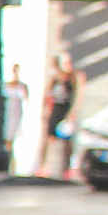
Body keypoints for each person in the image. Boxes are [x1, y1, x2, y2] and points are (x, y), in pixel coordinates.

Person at [42, 52, 81, 180]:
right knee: (49, 138)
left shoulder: (74, 78)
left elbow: (78, 96)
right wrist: (46, 110)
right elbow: (48, 94)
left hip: (66, 111)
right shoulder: (55, 79)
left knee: (66, 141)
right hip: (56, 110)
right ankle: (44, 166)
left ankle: (67, 168)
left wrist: (72, 113)